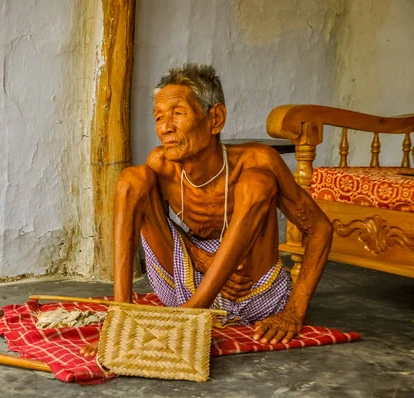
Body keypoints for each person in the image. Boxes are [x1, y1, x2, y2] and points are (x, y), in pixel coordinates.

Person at [81, 63, 332, 356]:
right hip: (182, 287)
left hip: (250, 292)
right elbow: (160, 227)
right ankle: (120, 319)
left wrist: (295, 311)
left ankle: (190, 315)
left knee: (257, 182)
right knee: (130, 180)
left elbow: (321, 229)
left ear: (215, 118)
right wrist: (200, 258)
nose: (165, 127)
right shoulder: (162, 166)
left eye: (178, 113)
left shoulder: (257, 159)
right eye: (159, 117)